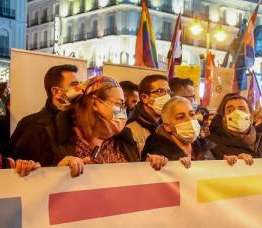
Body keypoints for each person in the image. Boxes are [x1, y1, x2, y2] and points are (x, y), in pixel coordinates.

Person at [19, 76, 169, 177]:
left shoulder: (126, 142)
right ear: (96, 103)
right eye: (118, 104)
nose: (123, 111)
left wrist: (149, 167)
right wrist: (56, 172)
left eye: (124, 105)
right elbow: (26, 187)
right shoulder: (44, 135)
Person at [143, 96, 242, 167]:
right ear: (167, 127)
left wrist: (233, 162)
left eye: (191, 114)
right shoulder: (157, 152)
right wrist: (156, 164)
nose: (189, 120)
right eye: (180, 117)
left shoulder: (208, 146)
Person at [8, 63, 80, 155]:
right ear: (56, 92)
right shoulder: (31, 125)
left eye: (80, 84)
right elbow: (14, 162)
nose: (79, 89)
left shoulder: (80, 122)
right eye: (74, 85)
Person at [208, 93, 259, 162]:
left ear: (251, 116)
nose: (236, 113)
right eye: (230, 110)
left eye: (241, 109)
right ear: (224, 118)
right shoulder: (212, 144)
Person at [127, 74, 170, 154]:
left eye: (168, 92)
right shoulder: (130, 130)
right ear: (144, 98)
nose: (167, 97)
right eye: (160, 91)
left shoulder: (168, 126)